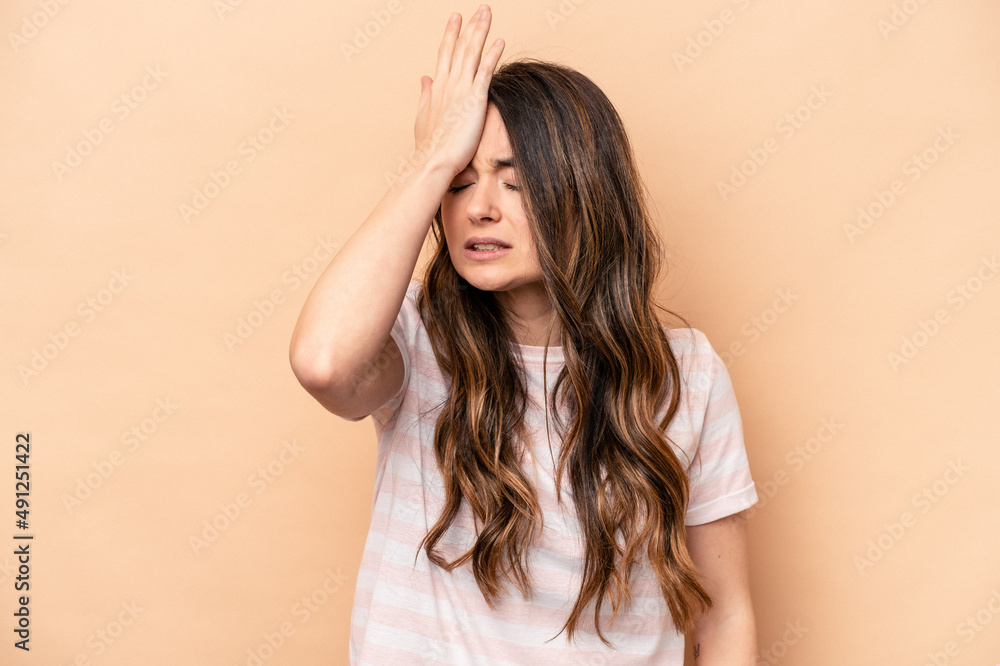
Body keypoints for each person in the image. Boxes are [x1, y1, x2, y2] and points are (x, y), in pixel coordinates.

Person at [289, 5, 759, 664]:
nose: (479, 207)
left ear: (582, 195)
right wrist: (428, 160)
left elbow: (725, 616)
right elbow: (323, 364)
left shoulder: (688, 375)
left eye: (515, 182)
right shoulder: (415, 339)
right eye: (458, 183)